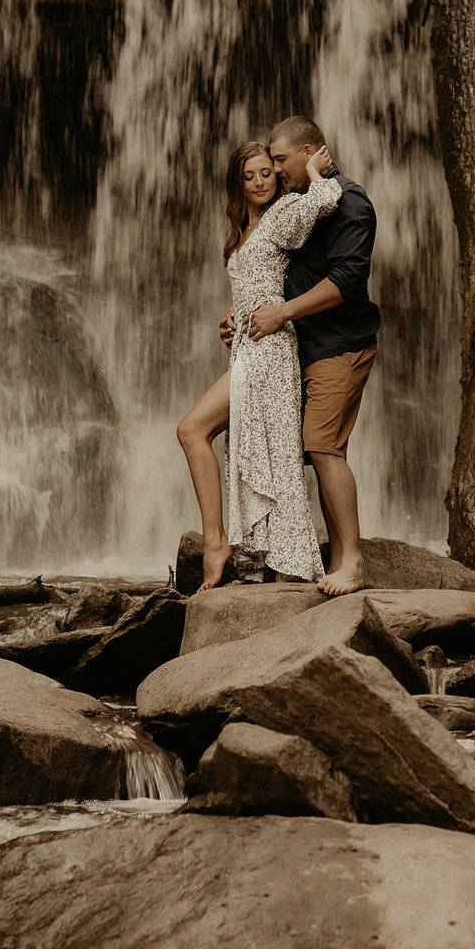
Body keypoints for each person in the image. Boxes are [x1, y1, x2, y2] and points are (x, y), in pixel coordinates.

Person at [177, 139, 341, 592]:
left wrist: (312, 169)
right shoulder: (240, 231)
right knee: (261, 451)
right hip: (247, 347)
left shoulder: (282, 216)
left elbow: (327, 199)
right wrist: (230, 322)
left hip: (270, 351)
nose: (259, 182)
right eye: (249, 176)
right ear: (238, 183)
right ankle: (256, 553)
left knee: (193, 430)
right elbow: (250, 287)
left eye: (266, 172)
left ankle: (216, 543)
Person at [240, 115, 380, 597]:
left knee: (323, 446)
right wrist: (243, 317)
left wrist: (281, 314)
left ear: (309, 152)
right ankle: (331, 557)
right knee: (310, 449)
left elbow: (346, 281)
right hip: (304, 348)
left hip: (340, 345)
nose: (275, 171)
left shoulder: (351, 203)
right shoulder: (300, 202)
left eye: (280, 160)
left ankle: (353, 562)